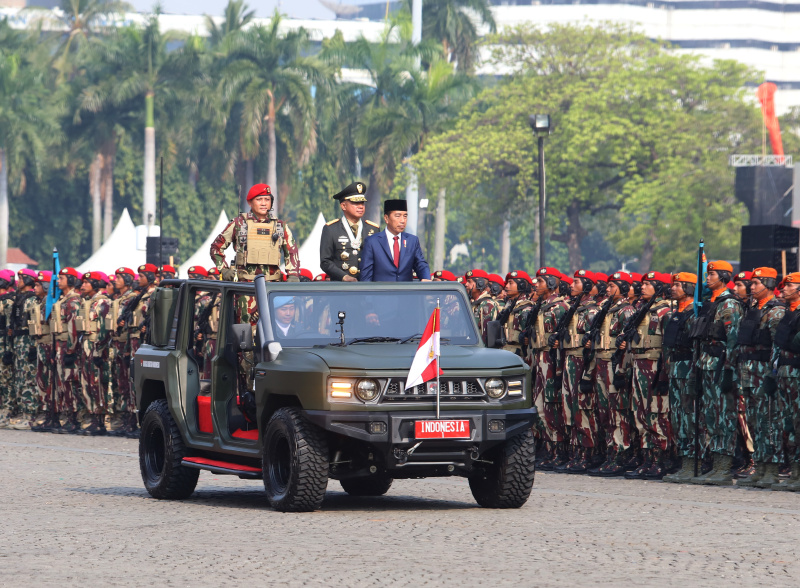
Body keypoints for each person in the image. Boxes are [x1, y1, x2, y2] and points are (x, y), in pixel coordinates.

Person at [690, 260, 744, 485]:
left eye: (712, 274)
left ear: (723, 276)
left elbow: (733, 340)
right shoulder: (710, 303)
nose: (707, 278)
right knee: (710, 416)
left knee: (724, 417)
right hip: (707, 363)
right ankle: (714, 463)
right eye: (707, 273)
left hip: (721, 365)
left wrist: (730, 369)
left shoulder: (729, 304)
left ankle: (724, 466)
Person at [735, 267, 786, 488]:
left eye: (756, 283)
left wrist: (772, 375)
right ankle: (761, 466)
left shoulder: (776, 311)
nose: (751, 287)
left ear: (767, 283)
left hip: (764, 370)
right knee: (754, 419)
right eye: (751, 283)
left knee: (768, 420)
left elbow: (778, 346)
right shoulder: (753, 308)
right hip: (749, 369)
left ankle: (772, 469)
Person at [620, 271, 673, 480]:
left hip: (654, 365)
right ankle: (647, 459)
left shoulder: (665, 311)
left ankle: (661, 459)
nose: (642, 287)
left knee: (656, 413)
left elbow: (668, 346)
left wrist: (664, 373)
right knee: (640, 413)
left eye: (649, 284)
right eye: (642, 284)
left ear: (659, 287)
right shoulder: (643, 310)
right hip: (639, 364)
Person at [585, 271, 637, 477]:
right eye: (607, 286)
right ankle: (610, 452)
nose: (607, 289)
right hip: (600, 362)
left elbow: (627, 345)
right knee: (604, 411)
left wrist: (621, 371)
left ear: (623, 287)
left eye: (612, 285)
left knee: (617, 411)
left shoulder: (626, 311)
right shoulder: (606, 309)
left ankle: (620, 454)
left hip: (613, 364)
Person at [554, 270, 600, 474]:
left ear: (587, 287)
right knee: (569, 409)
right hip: (569, 361)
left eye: (577, 282)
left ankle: (588, 454)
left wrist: (588, 374)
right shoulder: (574, 308)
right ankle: (575, 453)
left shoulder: (592, 312)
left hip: (582, 362)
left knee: (582, 409)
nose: (571, 285)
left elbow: (592, 347)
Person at [210, 183, 300, 283]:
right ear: (250, 202)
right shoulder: (238, 224)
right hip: (245, 288)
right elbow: (216, 247)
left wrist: (293, 274)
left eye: (267, 199)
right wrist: (224, 269)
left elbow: (291, 252)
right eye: (259, 199)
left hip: (271, 287)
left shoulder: (280, 226)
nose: (263, 203)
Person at [529, 267, 570, 471]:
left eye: (541, 281)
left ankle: (558, 451)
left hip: (551, 359)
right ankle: (547, 449)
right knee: (539, 406)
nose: (536, 285)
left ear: (552, 283)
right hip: (539, 357)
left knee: (551, 405)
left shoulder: (559, 307)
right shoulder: (543, 305)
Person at [662, 272, 700, 483]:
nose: (673, 288)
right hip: (676, 367)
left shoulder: (695, 313)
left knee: (689, 415)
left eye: (678, 285)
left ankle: (692, 461)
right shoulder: (675, 313)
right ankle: (683, 460)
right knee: (677, 417)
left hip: (688, 368)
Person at [772, 272, 800, 491]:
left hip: (797, 372)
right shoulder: (787, 313)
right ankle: (794, 469)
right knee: (787, 423)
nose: (784, 289)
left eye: (789, 286)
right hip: (784, 372)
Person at [319, 182, 379, 281]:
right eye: (356, 203)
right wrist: (343, 276)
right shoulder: (331, 229)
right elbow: (325, 261)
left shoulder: (373, 229)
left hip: (367, 287)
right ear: (343, 206)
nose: (360, 206)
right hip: (341, 288)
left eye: (362, 202)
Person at [360, 200, 431, 282]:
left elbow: (421, 264)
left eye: (405, 216)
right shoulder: (372, 242)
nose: (402, 221)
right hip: (381, 293)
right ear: (386, 218)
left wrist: (425, 278)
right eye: (398, 216)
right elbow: (366, 275)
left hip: (405, 293)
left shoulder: (412, 241)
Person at [78, 271, 112, 435]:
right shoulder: (88, 302)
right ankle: (92, 417)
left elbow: (105, 330)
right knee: (87, 383)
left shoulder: (103, 302)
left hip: (97, 347)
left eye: (87, 282)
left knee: (97, 384)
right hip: (86, 346)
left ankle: (100, 420)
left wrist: (100, 350)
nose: (83, 285)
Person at [50, 267, 83, 434]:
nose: (58, 280)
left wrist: (71, 350)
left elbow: (73, 329)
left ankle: (73, 419)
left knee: (69, 383)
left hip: (68, 348)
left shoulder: (73, 302)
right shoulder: (63, 300)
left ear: (70, 280)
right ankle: (65, 417)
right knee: (62, 383)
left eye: (62, 278)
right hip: (60, 347)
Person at [109, 268, 139, 437]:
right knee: (121, 383)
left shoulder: (133, 299)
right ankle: (125, 418)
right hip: (117, 344)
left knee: (130, 383)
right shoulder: (119, 299)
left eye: (119, 277)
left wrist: (128, 349)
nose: (115, 280)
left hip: (127, 345)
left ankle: (133, 420)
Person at [8, 269, 39, 429]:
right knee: (20, 378)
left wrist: (33, 345)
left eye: (21, 278)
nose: (18, 281)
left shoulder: (33, 300)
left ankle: (30, 415)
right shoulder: (19, 299)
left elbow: (35, 324)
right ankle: (23, 413)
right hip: (19, 342)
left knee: (28, 379)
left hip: (28, 341)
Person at [29, 271, 55, 432]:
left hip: (48, 345)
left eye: (38, 284)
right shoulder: (39, 302)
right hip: (40, 344)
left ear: (46, 286)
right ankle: (45, 412)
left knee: (49, 380)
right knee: (41, 380)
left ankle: (50, 414)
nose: (35, 287)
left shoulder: (50, 303)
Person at [498, 271, 535, 365]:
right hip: (505, 351)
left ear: (521, 286)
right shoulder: (508, 305)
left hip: (519, 355)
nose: (506, 286)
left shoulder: (526, 308)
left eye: (510, 283)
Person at [464, 269, 498, 345]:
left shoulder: (487, 305)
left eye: (469, 282)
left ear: (480, 284)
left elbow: (486, 337)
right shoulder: (474, 303)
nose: (466, 284)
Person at [0, 270, 16, 428]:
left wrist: (7, 349)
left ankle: (8, 410)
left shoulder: (8, 302)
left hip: (3, 343)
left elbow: (8, 328)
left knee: (6, 379)